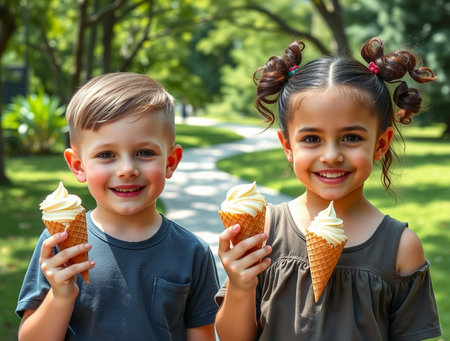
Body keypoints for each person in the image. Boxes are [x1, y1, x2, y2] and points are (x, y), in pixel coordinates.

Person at [215, 38, 442, 340]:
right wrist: (240, 285)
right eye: (311, 139)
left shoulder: (401, 248)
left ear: (381, 144)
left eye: (350, 137)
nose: (331, 155)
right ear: (287, 146)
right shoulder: (265, 231)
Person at [16, 72, 220, 340]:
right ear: (78, 166)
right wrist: (60, 296)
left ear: (170, 162)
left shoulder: (192, 251)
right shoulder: (60, 245)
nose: (126, 169)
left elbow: (201, 335)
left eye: (145, 153)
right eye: (106, 155)